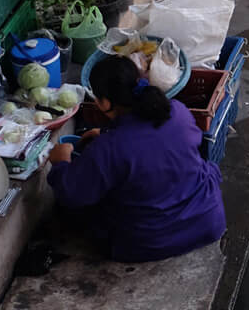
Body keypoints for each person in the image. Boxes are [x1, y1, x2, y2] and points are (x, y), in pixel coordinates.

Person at [46, 56, 225, 264]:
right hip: (208, 221)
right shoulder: (177, 111)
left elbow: (73, 194)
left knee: (77, 212)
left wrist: (60, 163)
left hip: (148, 244)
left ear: (104, 103)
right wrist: (105, 134)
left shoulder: (109, 149)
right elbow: (154, 145)